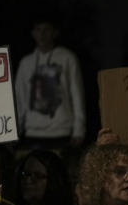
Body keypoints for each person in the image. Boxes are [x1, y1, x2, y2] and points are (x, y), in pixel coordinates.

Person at [14, 19, 86, 149]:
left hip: (62, 131)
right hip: (33, 132)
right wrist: (15, 130)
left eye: (46, 30)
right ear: (33, 33)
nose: (42, 34)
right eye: (38, 30)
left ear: (54, 32)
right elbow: (20, 98)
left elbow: (77, 94)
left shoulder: (67, 57)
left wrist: (79, 129)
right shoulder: (26, 63)